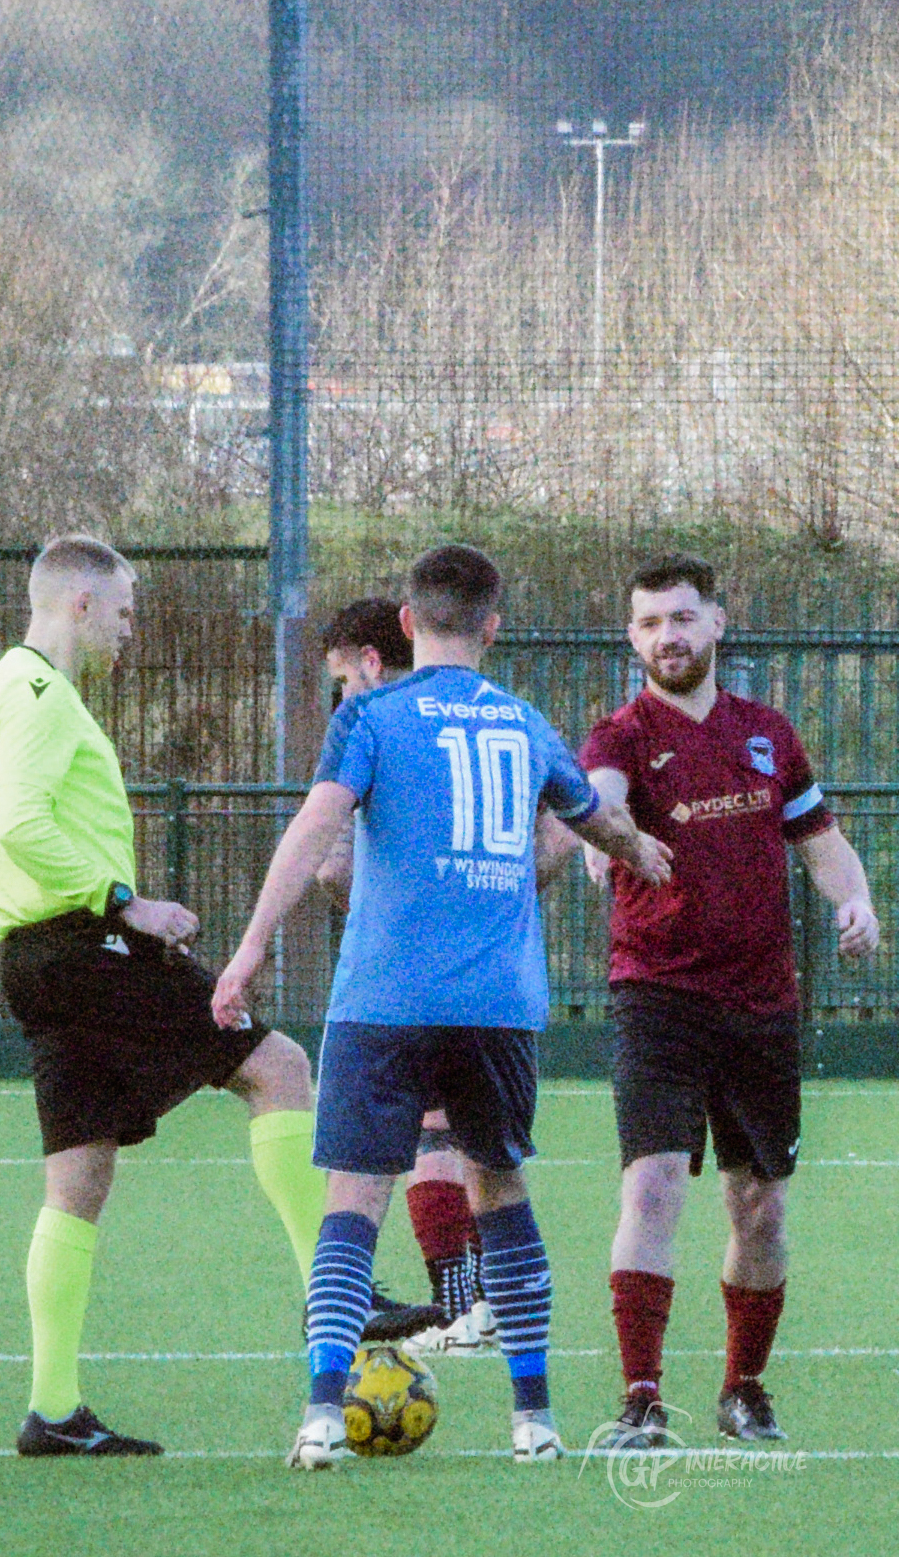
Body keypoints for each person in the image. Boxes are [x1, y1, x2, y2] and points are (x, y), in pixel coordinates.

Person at [213, 544, 673, 1470]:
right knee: (500, 1191)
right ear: (494, 628)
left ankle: (317, 1417)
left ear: (409, 625)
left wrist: (253, 944)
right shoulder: (525, 724)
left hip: (385, 998)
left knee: (355, 1200)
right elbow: (593, 819)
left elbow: (315, 829)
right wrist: (641, 854)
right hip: (496, 1006)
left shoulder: (372, 717)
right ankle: (534, 1421)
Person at [0, 534, 332, 1457]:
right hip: (87, 947)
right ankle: (339, 1303)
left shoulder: (9, 687)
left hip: (34, 959)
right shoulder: (43, 693)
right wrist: (126, 904)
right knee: (278, 1067)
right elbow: (19, 824)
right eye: (125, 610)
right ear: (80, 604)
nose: (131, 629)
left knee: (78, 1176)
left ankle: (53, 1410)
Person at [582, 555, 881, 1447]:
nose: (666, 637)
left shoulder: (769, 734)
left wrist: (855, 899)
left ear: (717, 623)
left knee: (760, 1206)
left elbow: (821, 842)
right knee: (654, 1188)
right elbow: (598, 802)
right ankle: (640, 1400)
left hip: (760, 1005)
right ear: (632, 638)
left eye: (680, 618)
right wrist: (614, 839)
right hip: (658, 995)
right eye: (647, 624)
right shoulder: (622, 735)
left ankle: (743, 1389)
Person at [310, 595, 583, 1355]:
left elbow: (331, 862)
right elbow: (566, 822)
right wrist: (496, 891)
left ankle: (458, 1305)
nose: (341, 696)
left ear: (374, 659)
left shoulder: (375, 726)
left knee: (405, 1152)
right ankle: (513, 1368)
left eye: (341, 678)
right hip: (492, 983)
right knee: (482, 1154)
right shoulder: (505, 719)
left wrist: (399, 901)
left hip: (398, 986)